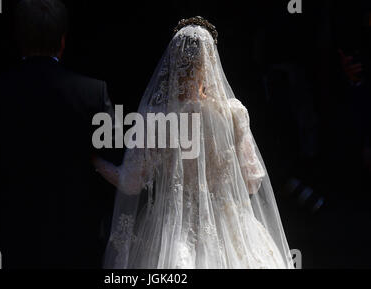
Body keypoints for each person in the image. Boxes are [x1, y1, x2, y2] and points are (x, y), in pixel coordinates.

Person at [93, 17, 294, 269]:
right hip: (230, 229)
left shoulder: (156, 118)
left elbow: (131, 183)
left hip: (171, 230)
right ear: (210, 63)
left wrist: (94, 161)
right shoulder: (233, 113)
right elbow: (252, 182)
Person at [0, 0, 113, 268]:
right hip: (74, 235)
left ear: (18, 39)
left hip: (7, 235)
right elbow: (108, 161)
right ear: (62, 41)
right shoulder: (94, 93)